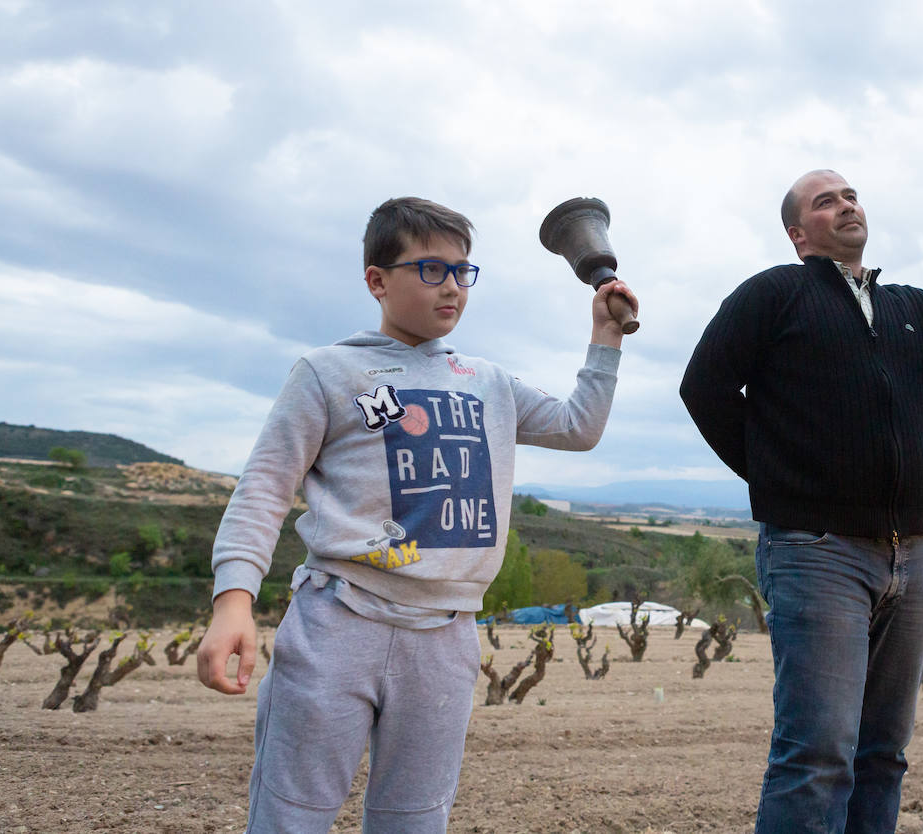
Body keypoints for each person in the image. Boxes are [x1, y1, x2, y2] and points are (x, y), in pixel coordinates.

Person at [197, 196, 638, 833]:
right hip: (337, 623)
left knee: (414, 820)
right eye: (431, 269)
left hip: (447, 636)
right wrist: (233, 600)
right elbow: (264, 487)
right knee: (291, 816)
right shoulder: (327, 372)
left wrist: (605, 338)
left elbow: (578, 426)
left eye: (463, 271)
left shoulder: (488, 381)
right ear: (377, 280)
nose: (452, 286)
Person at [679, 169, 923, 834]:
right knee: (817, 756)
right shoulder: (775, 294)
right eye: (826, 202)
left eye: (850, 196)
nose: (846, 205)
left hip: (915, 556)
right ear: (798, 234)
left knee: (882, 755)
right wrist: (782, 480)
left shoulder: (911, 309)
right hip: (816, 552)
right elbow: (703, 387)